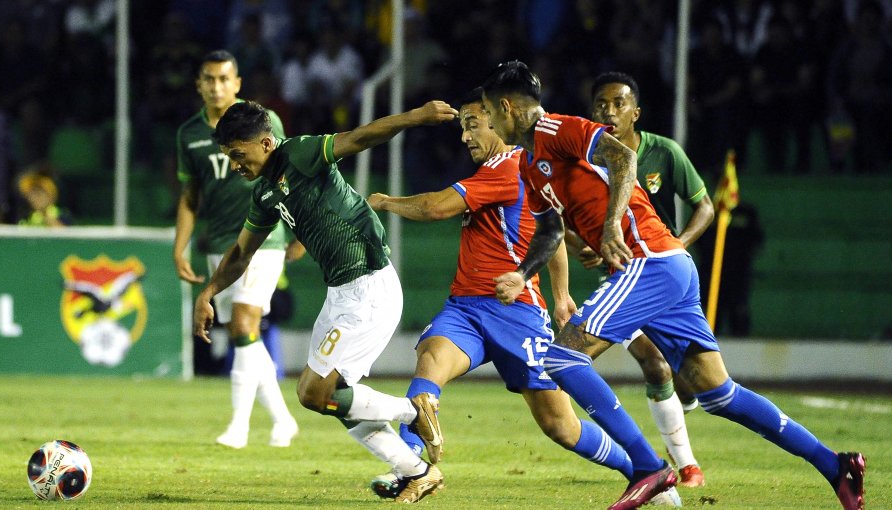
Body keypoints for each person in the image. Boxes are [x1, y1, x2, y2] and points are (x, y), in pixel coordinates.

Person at [484, 60, 866, 510]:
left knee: (563, 357)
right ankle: (835, 466)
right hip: (668, 267)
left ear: (506, 107)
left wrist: (609, 229)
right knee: (720, 395)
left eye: (489, 112)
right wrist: (522, 274)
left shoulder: (557, 129)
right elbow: (549, 231)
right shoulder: (530, 163)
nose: (489, 122)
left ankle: (648, 468)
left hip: (649, 261)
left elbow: (623, 156)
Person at [365, 87, 682, 506]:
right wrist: (564, 294)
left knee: (561, 425)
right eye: (462, 127)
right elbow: (550, 236)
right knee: (429, 366)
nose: (465, 136)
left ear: (496, 120)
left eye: (472, 124)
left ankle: (642, 471)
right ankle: (410, 467)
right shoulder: (502, 170)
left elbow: (437, 208)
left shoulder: (510, 166)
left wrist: (384, 201)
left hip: (516, 314)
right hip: (465, 308)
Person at [193, 98, 459, 503]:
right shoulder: (265, 193)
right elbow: (241, 253)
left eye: (238, 154)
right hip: (341, 293)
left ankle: (413, 411)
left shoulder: (298, 153)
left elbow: (360, 137)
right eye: (229, 156)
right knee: (332, 397)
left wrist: (416, 116)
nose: (234, 165)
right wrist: (209, 292)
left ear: (265, 143)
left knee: (317, 393)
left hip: (369, 284)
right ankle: (415, 471)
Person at [588, 71, 714, 487]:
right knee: (655, 364)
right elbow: (563, 221)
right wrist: (588, 244)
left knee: (692, 381)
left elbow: (706, 208)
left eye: (618, 103)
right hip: (623, 277)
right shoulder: (588, 159)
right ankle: (685, 466)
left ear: (635, 112)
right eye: (601, 104)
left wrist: (676, 244)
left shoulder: (664, 153)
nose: (609, 110)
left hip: (665, 275)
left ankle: (682, 410)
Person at [174, 50, 298, 449]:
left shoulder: (263, 121)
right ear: (199, 84)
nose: (216, 86)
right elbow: (191, 195)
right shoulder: (190, 134)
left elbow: (290, 172)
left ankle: (239, 427)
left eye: (223, 79)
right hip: (221, 242)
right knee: (242, 334)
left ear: (237, 83)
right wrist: (181, 247)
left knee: (244, 324)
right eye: (208, 79)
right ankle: (282, 420)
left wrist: (300, 231)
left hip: (264, 238)